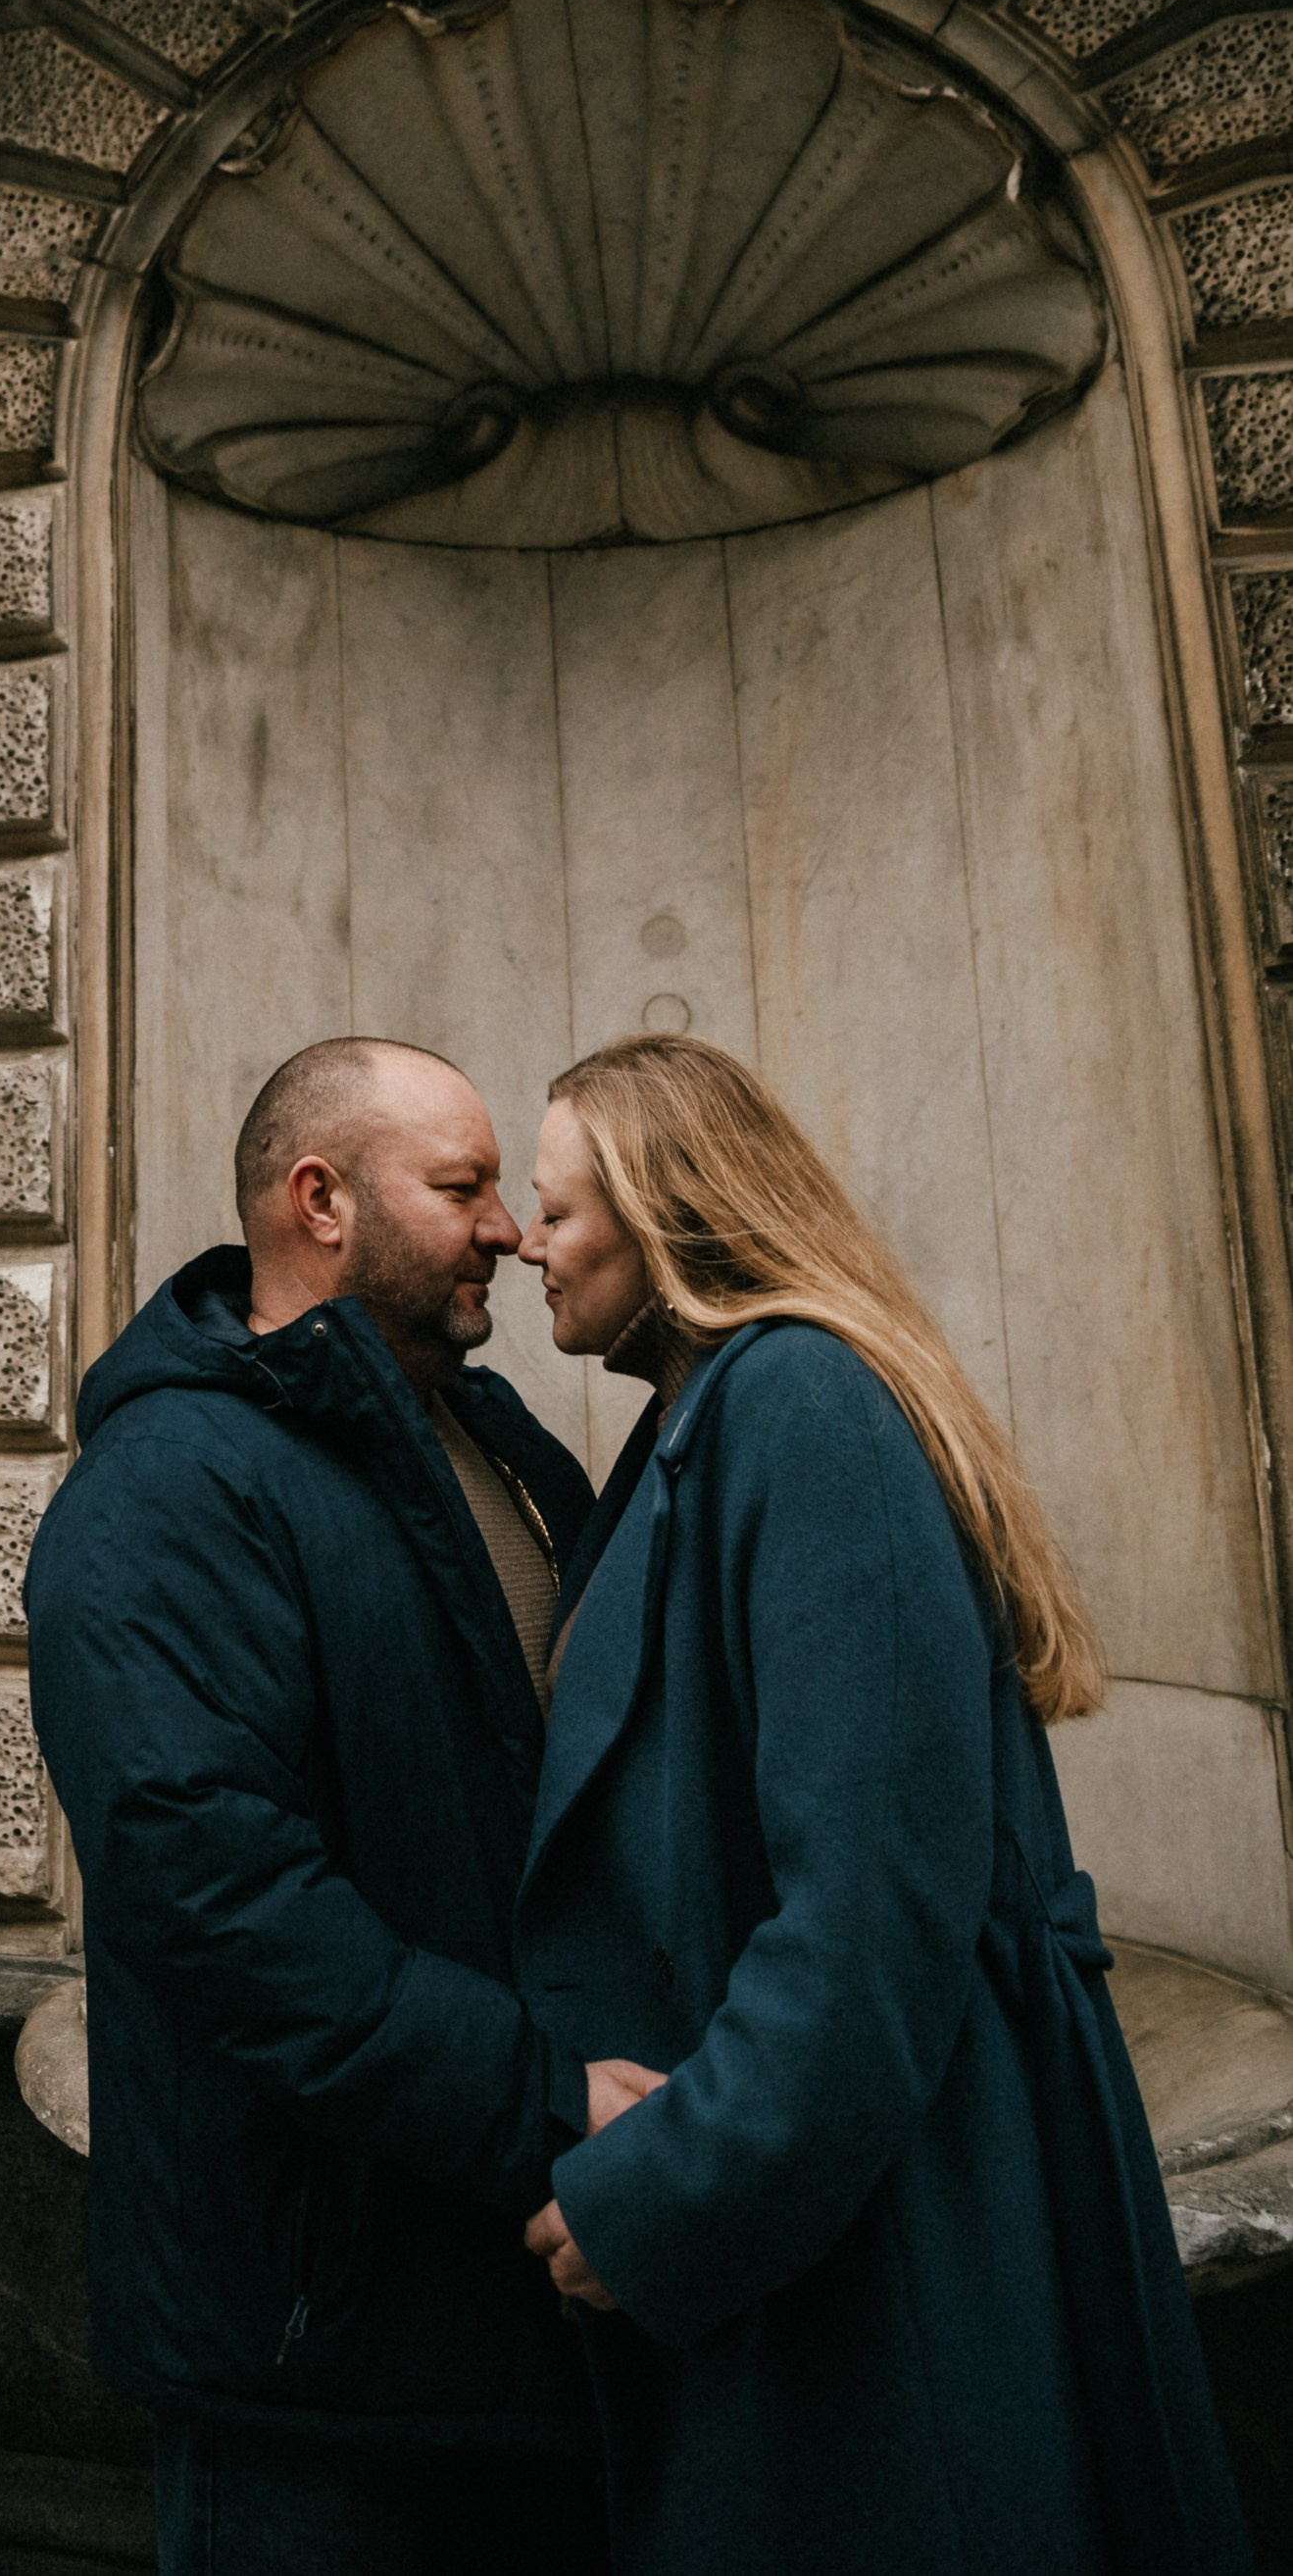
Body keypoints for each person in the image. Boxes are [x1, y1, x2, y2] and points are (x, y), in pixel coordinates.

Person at [515, 1031, 1251, 2576]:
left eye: (559, 1206)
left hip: (880, 2243)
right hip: (826, 2228)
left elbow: (868, 1913)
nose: (527, 1240)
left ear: (670, 1213)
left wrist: (665, 2202)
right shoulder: (702, 1422)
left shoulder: (799, 1407)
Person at [27, 1035, 634, 2576]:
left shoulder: (509, 1451)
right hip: (313, 2372)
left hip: (529, 2313)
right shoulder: (167, 1489)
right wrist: (550, 2104)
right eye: (462, 1186)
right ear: (320, 1199)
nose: (506, 1227)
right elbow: (220, 1909)